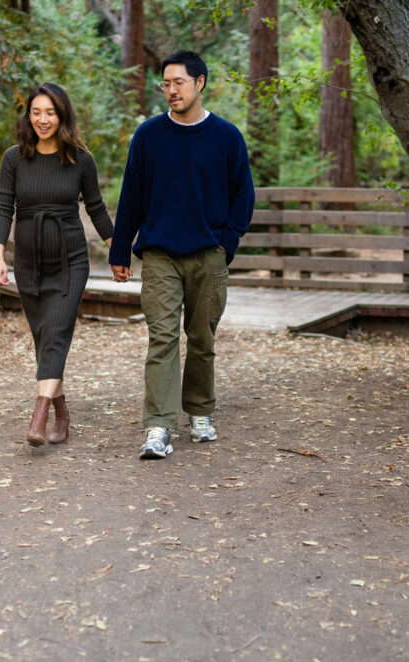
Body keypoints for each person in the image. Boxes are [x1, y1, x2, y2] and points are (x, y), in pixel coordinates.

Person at [109, 50, 255, 460]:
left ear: (200, 83)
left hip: (209, 254)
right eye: (166, 84)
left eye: (179, 83)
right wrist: (121, 249)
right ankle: (158, 426)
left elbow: (243, 196)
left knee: (202, 338)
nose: (171, 91)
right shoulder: (149, 136)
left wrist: (227, 242)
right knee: (162, 338)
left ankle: (200, 412)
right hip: (159, 255)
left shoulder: (227, 137)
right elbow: (132, 196)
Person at [0, 83, 114, 447]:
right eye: (36, 112)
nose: (43, 120)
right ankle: (62, 411)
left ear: (62, 116)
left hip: (70, 261)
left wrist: (118, 251)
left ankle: (40, 414)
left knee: (56, 333)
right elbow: (3, 208)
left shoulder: (80, 159)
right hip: (28, 262)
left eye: (50, 113)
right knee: (45, 338)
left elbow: (97, 209)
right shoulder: (14, 159)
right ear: (28, 116)